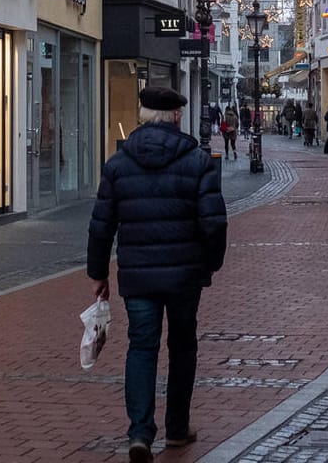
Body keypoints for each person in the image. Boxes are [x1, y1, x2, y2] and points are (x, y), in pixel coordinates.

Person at [89, 87, 227, 463]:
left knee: (142, 347)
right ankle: (177, 428)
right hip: (184, 275)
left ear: (142, 115)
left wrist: (99, 272)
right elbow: (214, 222)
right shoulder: (197, 161)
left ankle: (140, 432)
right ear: (177, 116)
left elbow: (101, 224)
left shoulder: (118, 163)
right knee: (182, 346)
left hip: (137, 275)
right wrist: (211, 264)